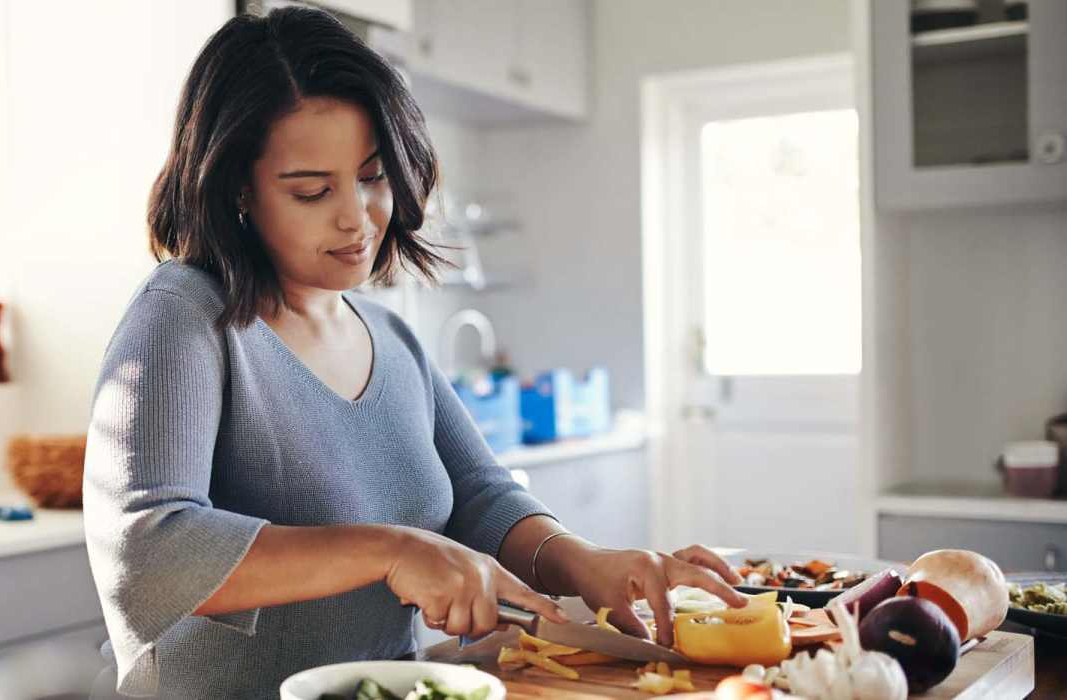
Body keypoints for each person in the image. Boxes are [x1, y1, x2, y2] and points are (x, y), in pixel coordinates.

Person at [83, 7, 745, 698]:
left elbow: (482, 498)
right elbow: (148, 549)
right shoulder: (183, 316)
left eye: (372, 177)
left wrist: (582, 561)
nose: (358, 215)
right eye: (312, 190)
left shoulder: (389, 335)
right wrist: (392, 550)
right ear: (238, 189)